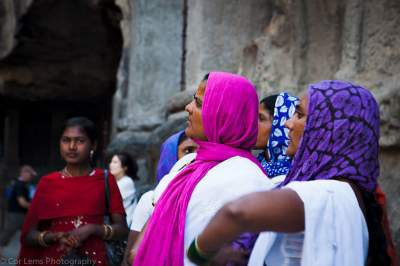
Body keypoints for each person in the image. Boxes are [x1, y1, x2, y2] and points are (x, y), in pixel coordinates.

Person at [188, 80, 394, 266]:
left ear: (331, 130)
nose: (288, 123)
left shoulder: (328, 193)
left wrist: (199, 252)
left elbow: (236, 212)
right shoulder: (346, 192)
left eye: (301, 115)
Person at [133, 72, 274, 266]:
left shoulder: (248, 178)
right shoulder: (188, 164)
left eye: (199, 104)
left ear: (224, 115)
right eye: (193, 101)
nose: (188, 108)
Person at [18, 117, 129, 265]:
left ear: (93, 145)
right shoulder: (48, 183)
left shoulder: (105, 180)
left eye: (80, 141)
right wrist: (54, 236)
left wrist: (92, 229)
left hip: (95, 261)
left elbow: (122, 229)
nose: (71, 146)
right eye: (66, 140)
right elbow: (28, 235)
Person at [122, 132, 198, 266]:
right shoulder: (150, 199)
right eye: (188, 151)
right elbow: (131, 257)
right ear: (171, 155)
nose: (195, 157)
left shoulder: (205, 194)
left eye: (201, 150)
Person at [255, 92, 299, 185]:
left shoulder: (295, 177)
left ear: (280, 126)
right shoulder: (256, 166)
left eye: (261, 118)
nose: (252, 124)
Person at [0, 165, 36, 257]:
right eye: (30, 174)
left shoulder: (22, 184)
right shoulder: (19, 185)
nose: (31, 177)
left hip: (21, 213)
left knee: (29, 231)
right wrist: (34, 207)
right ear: (24, 173)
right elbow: (22, 202)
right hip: (16, 213)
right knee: (9, 231)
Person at [109, 152, 139, 227]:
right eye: (111, 162)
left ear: (125, 167)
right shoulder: (116, 181)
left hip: (126, 224)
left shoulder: (127, 182)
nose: (111, 165)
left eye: (115, 162)